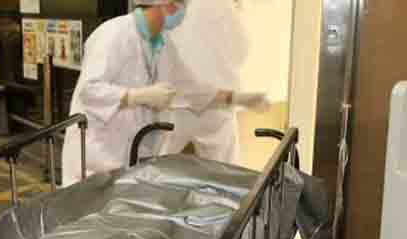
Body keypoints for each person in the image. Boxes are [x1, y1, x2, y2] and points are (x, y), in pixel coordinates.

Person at [60, 0, 186, 187]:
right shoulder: (113, 33)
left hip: (135, 152)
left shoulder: (162, 42)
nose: (181, 12)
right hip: (98, 155)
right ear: (163, 4)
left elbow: (179, 82)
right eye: (178, 4)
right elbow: (89, 89)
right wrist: (136, 96)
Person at [157, 0, 269, 164]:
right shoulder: (225, 6)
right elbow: (242, 49)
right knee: (225, 170)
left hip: (177, 102)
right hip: (217, 104)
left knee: (154, 164)